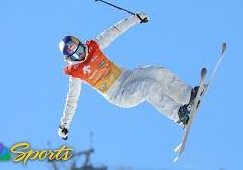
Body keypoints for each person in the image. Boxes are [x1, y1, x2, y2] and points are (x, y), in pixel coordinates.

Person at [57, 13, 199, 140]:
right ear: (70, 58)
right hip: (119, 94)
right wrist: (64, 124)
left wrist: (135, 19)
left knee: (156, 72)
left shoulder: (93, 46)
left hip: (128, 76)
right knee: (148, 87)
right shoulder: (75, 72)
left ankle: (187, 95)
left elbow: (114, 31)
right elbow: (72, 100)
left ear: (81, 44)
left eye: (80, 49)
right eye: (76, 55)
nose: (81, 55)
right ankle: (179, 115)